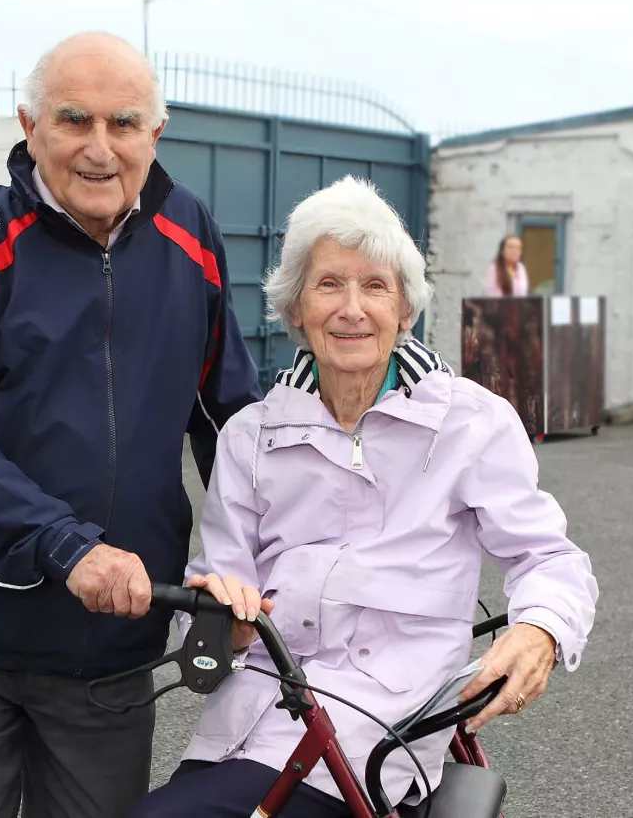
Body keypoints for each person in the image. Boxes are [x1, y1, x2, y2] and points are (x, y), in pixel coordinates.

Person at [0, 32, 262, 818]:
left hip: (109, 647)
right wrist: (64, 544)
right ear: (28, 125)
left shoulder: (191, 238)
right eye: (72, 120)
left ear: (156, 133)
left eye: (122, 124)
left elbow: (233, 423)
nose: (99, 147)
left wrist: (268, 560)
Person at [130, 176, 598, 817]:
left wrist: (540, 631)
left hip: (379, 740)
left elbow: (550, 558)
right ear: (295, 308)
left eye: (375, 286)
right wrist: (223, 622)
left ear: (405, 309)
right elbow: (213, 613)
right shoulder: (252, 436)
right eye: (329, 284)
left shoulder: (470, 423)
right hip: (253, 728)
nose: (352, 309)